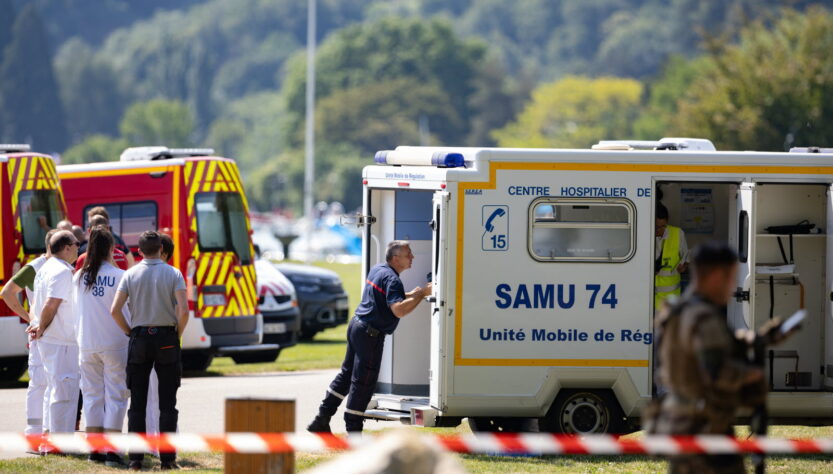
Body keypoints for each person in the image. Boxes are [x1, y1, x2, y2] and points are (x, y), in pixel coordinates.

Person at [652, 241, 767, 473]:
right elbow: (716, 372)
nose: (733, 285)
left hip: (680, 424)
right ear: (716, 275)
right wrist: (753, 375)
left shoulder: (677, 310)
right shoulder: (705, 317)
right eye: (731, 277)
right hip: (706, 430)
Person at [308, 240, 432, 433]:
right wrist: (421, 294)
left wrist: (412, 294)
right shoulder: (393, 279)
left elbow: (386, 297)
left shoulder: (379, 270)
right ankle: (354, 432)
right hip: (370, 335)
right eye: (409, 254)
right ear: (396, 258)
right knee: (363, 382)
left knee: (347, 375)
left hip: (357, 326)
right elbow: (398, 310)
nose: (413, 257)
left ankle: (321, 419)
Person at [110, 231, 188, 470]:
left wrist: (129, 331)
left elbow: (115, 310)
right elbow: (183, 310)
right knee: (167, 402)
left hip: (140, 337)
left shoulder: (130, 274)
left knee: (138, 403)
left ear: (140, 251)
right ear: (161, 249)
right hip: (166, 336)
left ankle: (135, 459)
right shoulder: (173, 273)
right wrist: (177, 334)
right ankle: (168, 460)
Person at [74, 228, 130, 467]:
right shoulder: (119, 276)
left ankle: (94, 448)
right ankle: (112, 450)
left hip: (87, 344)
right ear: (111, 249)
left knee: (92, 396)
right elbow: (127, 311)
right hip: (114, 342)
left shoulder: (78, 277)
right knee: (116, 395)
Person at [0, 229, 57, 438]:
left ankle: (46, 429)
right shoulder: (35, 267)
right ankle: (34, 430)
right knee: (39, 382)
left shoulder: (59, 266)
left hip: (54, 332)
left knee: (51, 382)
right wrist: (28, 317)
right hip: (40, 333)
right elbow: (6, 292)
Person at [31, 231, 80, 438]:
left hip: (52, 338)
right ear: (66, 247)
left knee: (53, 389)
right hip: (61, 340)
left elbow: (38, 303)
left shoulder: (45, 268)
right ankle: (60, 441)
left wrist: (37, 324)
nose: (79, 247)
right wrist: (40, 327)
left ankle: (49, 435)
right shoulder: (61, 271)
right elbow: (51, 304)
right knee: (64, 391)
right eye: (76, 243)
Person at [655, 203, 689, 309]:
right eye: (656, 227)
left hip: (671, 298)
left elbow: (686, 256)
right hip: (650, 297)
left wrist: (684, 266)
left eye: (663, 226)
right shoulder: (644, 234)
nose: (659, 230)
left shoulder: (678, 234)